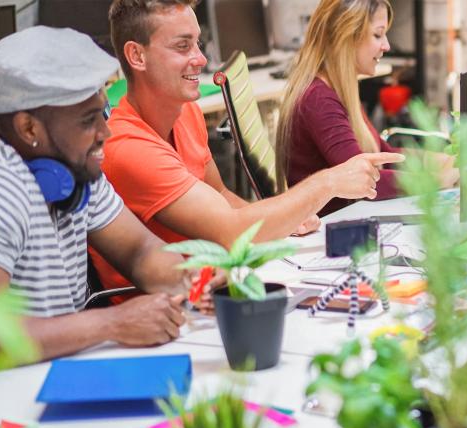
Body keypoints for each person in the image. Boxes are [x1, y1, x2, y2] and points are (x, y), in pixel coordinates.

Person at [94, 0, 403, 291]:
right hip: (169, 309)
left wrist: (281, 220)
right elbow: (230, 231)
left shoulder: (184, 111)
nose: (200, 59)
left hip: (211, 286)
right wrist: (328, 181)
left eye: (197, 43)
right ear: (137, 56)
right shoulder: (129, 148)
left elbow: (222, 195)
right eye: (182, 46)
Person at [0, 27, 198, 361]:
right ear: (28, 128)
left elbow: (139, 250)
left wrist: (191, 279)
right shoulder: (4, 186)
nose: (106, 132)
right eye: (89, 120)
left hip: (59, 371)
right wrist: (113, 323)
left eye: (102, 113)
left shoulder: (76, 170)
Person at [275, 0, 457, 216]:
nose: (387, 46)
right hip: (331, 232)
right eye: (378, 35)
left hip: (353, 214)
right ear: (347, 37)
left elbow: (383, 153)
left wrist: (437, 161)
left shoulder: (339, 87)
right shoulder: (318, 100)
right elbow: (364, 183)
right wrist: (437, 179)